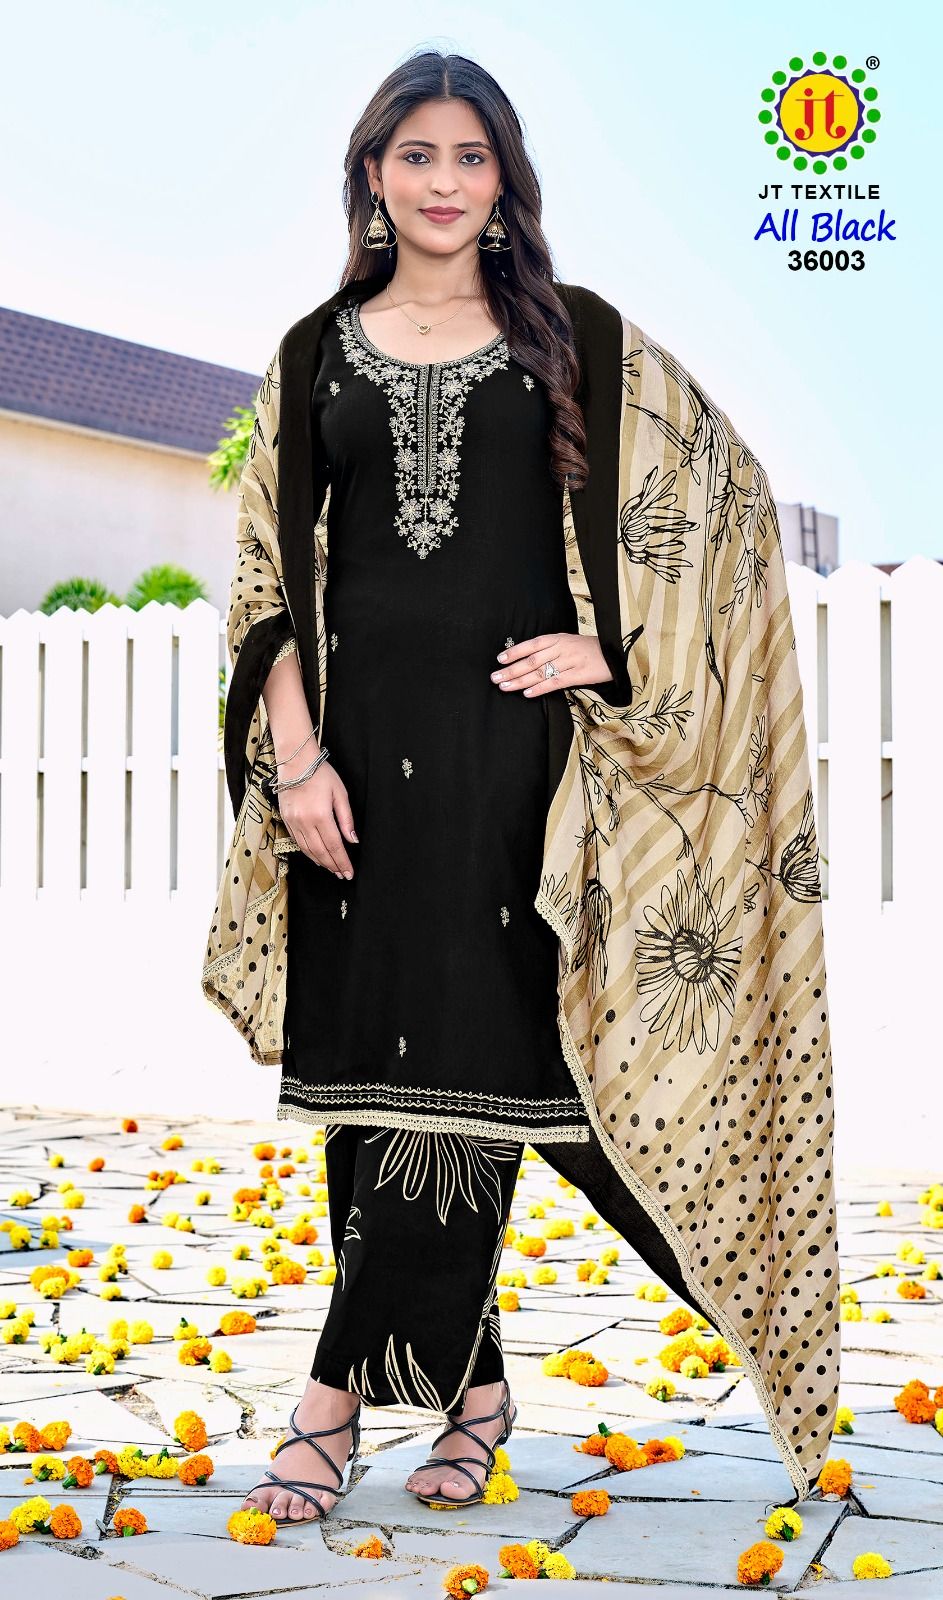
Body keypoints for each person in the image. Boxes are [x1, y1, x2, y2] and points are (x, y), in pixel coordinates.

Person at [205, 48, 840, 1526]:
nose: (443, 182)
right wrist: (294, 759)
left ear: (506, 182)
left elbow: (724, 510)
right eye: (416, 155)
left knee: (471, 1063)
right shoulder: (315, 352)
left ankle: (329, 1405)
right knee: (381, 1074)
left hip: (518, 771)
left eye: (471, 156)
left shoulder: (581, 341)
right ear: (373, 175)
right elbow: (264, 577)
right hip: (352, 771)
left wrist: (618, 647)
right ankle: (474, 1398)